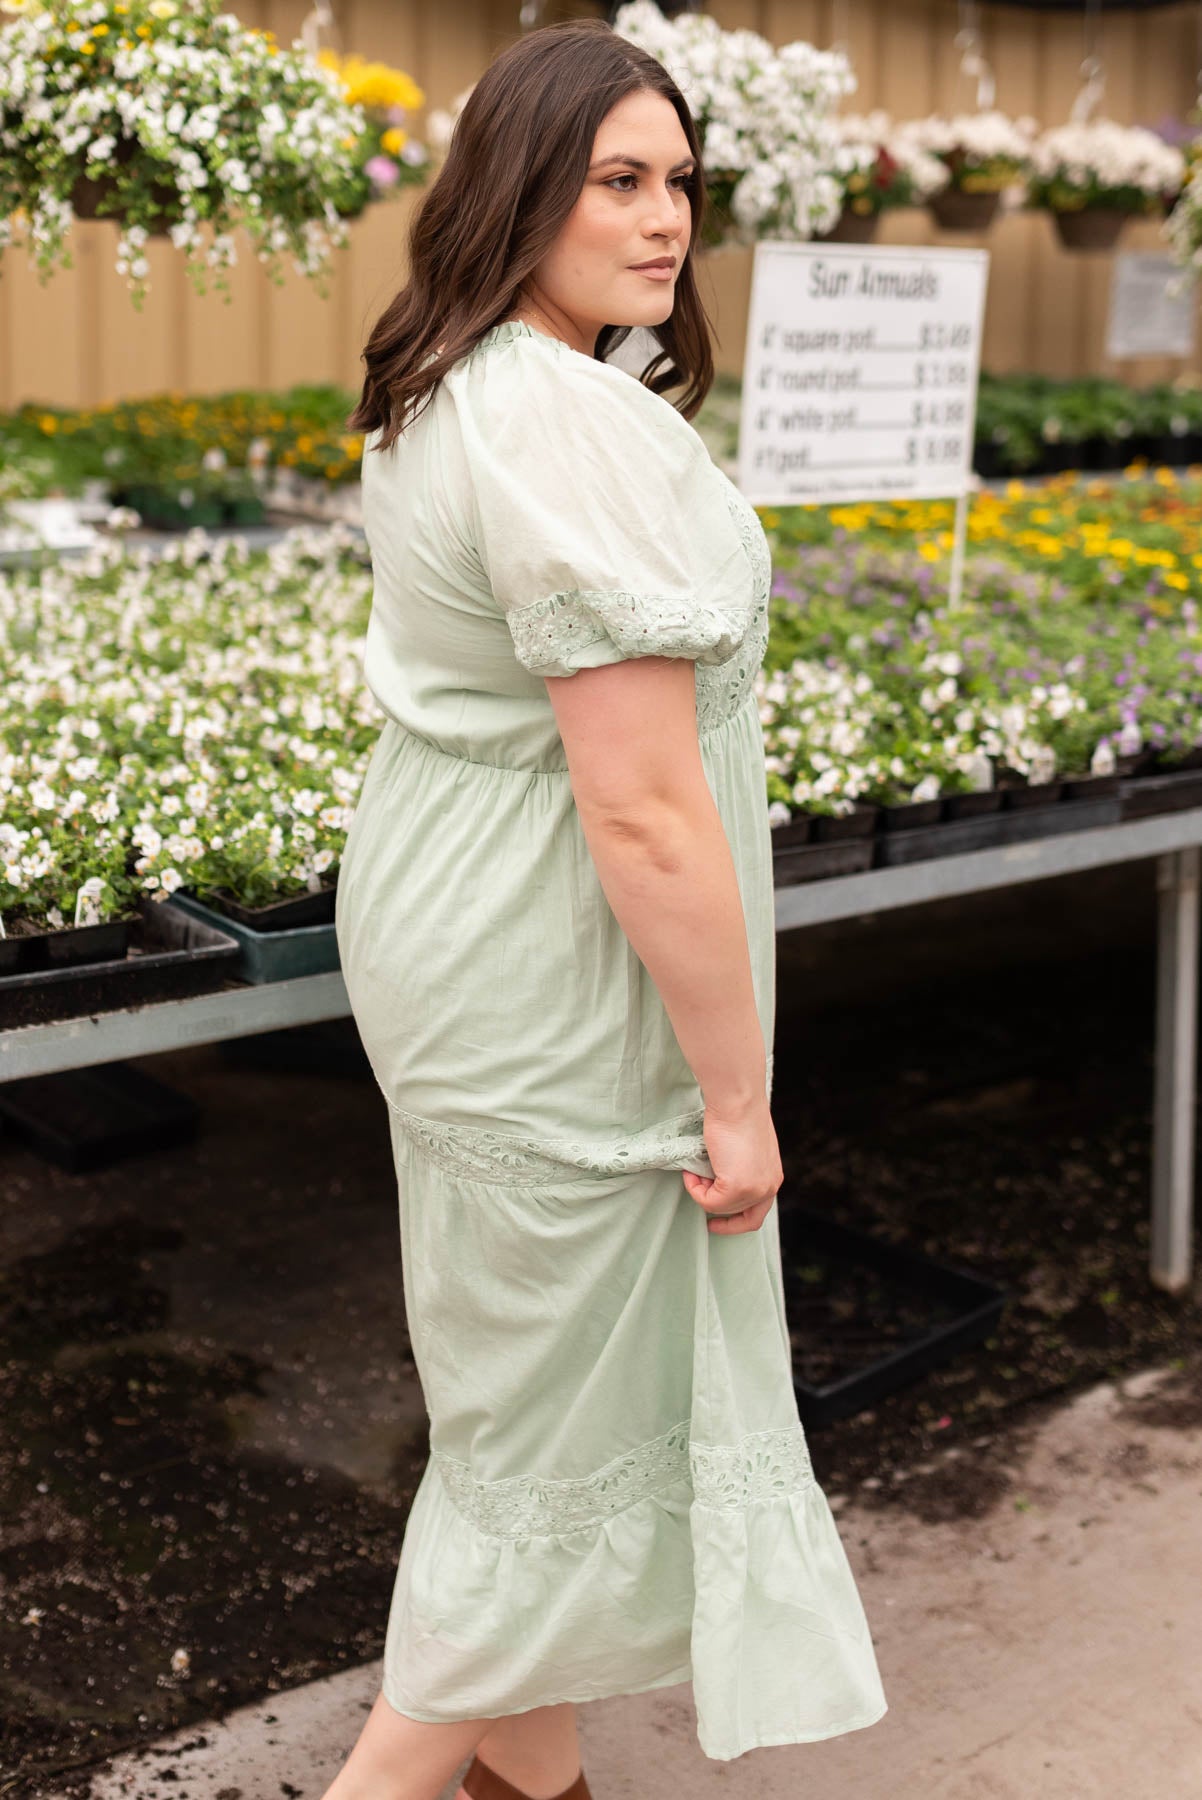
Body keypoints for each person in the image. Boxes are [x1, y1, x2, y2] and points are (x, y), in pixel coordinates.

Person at [328, 19, 887, 1800]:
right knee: (541, 1451)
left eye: (681, 186)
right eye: (618, 182)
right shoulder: (559, 425)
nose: (664, 223)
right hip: (551, 966)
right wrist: (740, 1097)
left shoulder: (464, 381)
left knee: (527, 1411)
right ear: (519, 190)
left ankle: (539, 1782)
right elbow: (642, 810)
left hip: (462, 926)